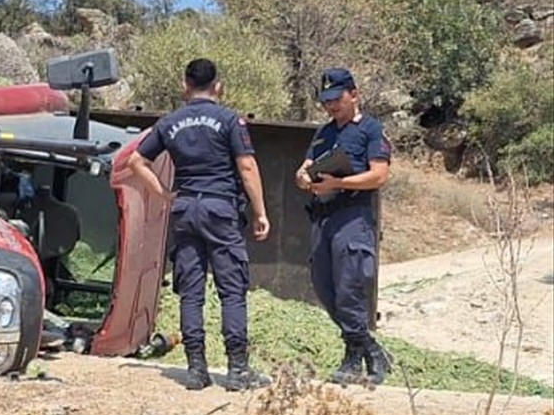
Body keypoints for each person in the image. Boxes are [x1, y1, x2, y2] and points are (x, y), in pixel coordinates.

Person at [126, 58, 272, 391]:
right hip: (220, 209)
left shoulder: (170, 122)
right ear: (218, 86)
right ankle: (237, 371)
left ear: (184, 86)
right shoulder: (229, 120)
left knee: (190, 293)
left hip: (185, 208)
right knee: (232, 290)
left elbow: (137, 161)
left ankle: (196, 369)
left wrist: (164, 194)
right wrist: (261, 212)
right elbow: (247, 167)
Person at [293, 67, 393, 385]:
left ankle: (353, 359)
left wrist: (341, 181)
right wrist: (304, 178)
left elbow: (379, 175)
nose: (332, 106)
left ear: (354, 94)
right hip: (323, 216)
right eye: (326, 101)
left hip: (353, 216)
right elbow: (306, 168)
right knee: (326, 288)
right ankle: (373, 350)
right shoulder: (324, 133)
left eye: (337, 99)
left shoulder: (371, 130)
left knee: (350, 287)